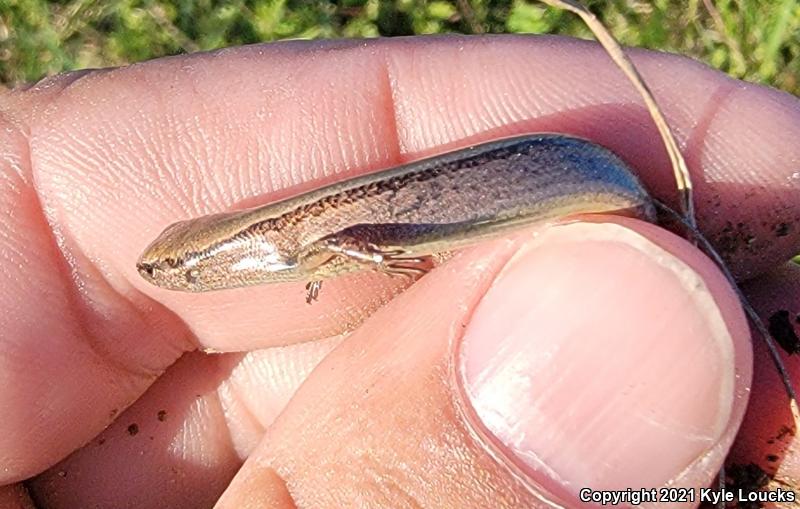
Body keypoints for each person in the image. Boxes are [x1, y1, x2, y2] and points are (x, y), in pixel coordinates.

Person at [1, 35, 798, 508]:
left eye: (178, 270)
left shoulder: (289, 244)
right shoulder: (285, 248)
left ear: (207, 259)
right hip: (569, 177)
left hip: (570, 173)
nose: (169, 279)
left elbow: (354, 233)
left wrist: (362, 257)